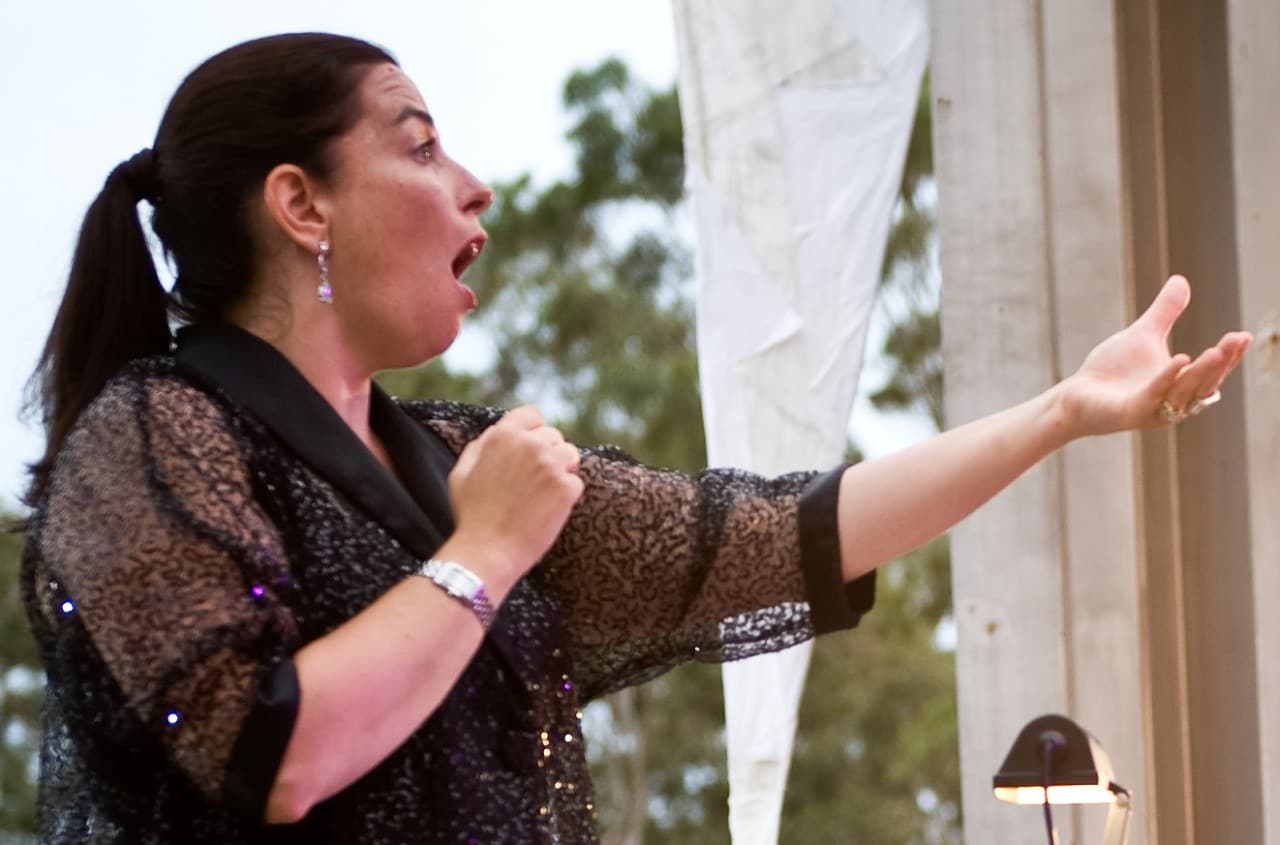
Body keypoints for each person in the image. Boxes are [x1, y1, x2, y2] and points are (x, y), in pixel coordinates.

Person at [19, 31, 1249, 845]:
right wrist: (483, 553)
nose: (473, 184)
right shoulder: (149, 437)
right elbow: (265, 752)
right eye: (419, 140)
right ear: (300, 204)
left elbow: (792, 531)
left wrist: (1061, 411)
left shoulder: (459, 458)